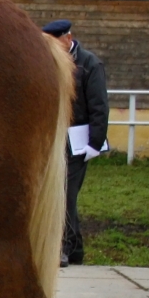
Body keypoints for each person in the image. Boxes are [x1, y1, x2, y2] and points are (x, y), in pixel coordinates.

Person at [43, 19, 109, 267]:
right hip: (56, 138)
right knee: (59, 192)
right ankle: (76, 250)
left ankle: (64, 247)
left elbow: (99, 105)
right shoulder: (48, 61)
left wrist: (95, 142)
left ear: (68, 39)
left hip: (79, 140)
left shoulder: (89, 64)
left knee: (66, 195)